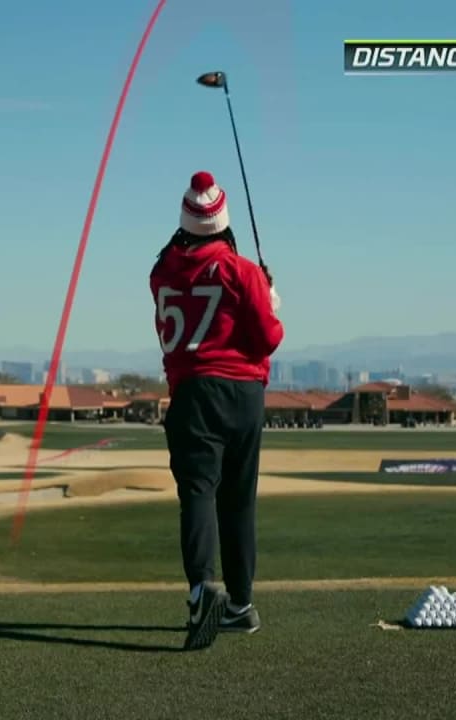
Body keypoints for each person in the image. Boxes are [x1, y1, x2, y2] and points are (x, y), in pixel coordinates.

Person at [149, 170, 284, 651]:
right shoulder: (241, 270)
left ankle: (202, 587)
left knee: (199, 494)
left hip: (192, 395)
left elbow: (178, 260)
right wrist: (268, 299)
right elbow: (268, 337)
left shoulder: (161, 270)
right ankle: (241, 606)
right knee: (239, 501)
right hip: (244, 394)